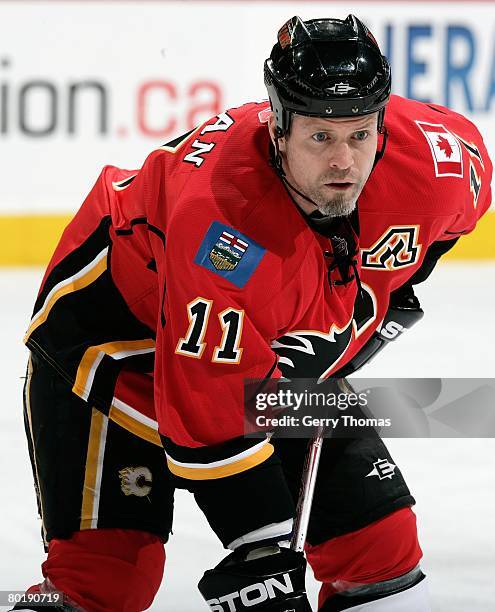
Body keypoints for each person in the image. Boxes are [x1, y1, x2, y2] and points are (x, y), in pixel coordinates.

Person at [15, 14, 491, 612]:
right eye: (320, 138)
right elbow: (207, 410)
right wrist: (260, 550)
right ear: (279, 128)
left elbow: (438, 229)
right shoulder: (223, 231)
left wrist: (389, 297)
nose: (344, 162)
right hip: (112, 340)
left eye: (360, 134)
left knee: (379, 552)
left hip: (256, 352)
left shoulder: (438, 162)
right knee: (106, 584)